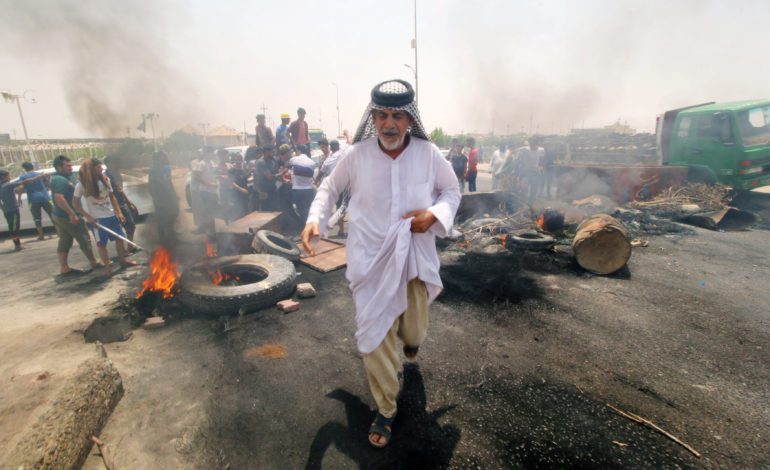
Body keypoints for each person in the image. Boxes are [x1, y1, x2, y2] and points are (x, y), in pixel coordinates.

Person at [301, 79, 460, 448]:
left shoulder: (428, 153)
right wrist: (314, 220)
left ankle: (409, 345)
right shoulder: (354, 156)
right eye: (383, 115)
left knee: (414, 333)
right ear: (373, 117)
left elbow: (452, 192)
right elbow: (328, 190)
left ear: (409, 120)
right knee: (374, 338)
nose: (390, 123)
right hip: (369, 262)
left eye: (398, 116)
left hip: (414, 259)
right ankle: (386, 408)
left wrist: (433, 216)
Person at [73, 158, 137, 275]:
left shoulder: (105, 180)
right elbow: (75, 203)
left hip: (111, 215)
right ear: (91, 169)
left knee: (120, 238)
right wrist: (88, 216)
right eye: (98, 167)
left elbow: (112, 197)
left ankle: (123, 261)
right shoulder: (82, 185)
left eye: (101, 167)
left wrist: (118, 212)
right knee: (102, 244)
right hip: (98, 219)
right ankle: (107, 268)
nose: (101, 169)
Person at [49, 155, 101, 274]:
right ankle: (93, 261)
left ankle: (64, 267)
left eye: (71, 165)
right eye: (67, 166)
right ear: (58, 167)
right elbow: (59, 197)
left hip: (59, 215)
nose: (70, 167)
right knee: (84, 237)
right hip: (66, 216)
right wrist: (72, 214)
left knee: (65, 240)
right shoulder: (59, 180)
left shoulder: (64, 177)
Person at [0, 169, 46, 251]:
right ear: (3, 177)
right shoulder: (7, 185)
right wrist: (39, 176)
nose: (9, 177)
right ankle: (17, 246)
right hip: (12, 210)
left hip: (7, 211)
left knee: (13, 228)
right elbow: (25, 182)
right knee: (14, 228)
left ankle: (18, 245)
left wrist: (3, 209)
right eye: (8, 176)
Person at [104, 156, 138, 246]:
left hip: (122, 204)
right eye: (112, 162)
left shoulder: (117, 175)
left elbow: (120, 190)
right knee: (118, 231)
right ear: (107, 164)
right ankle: (122, 253)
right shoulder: (105, 177)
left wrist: (128, 202)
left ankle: (129, 247)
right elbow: (108, 195)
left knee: (131, 226)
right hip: (113, 206)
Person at [148, 152, 180, 243]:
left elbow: (169, 182)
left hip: (169, 196)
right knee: (162, 218)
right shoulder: (153, 170)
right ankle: (162, 239)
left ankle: (172, 235)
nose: (166, 159)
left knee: (173, 214)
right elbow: (151, 186)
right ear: (157, 160)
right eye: (163, 158)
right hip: (160, 197)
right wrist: (156, 199)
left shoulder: (167, 168)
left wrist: (174, 194)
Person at [18, 161, 54, 240]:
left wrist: (19, 198)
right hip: (45, 197)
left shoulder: (23, 177)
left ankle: (41, 236)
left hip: (33, 199)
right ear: (33, 167)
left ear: (24, 169)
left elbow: (20, 188)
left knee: (37, 218)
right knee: (52, 215)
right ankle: (59, 233)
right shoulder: (40, 174)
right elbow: (48, 184)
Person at [288, 146, 316, 231]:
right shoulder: (312, 162)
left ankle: (305, 227)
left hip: (297, 189)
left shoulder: (293, 159)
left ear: (299, 151)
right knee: (309, 209)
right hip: (308, 189)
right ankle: (311, 226)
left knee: (301, 210)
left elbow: (289, 170)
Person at [515, 137, 545, 203]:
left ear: (537, 144)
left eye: (534, 143)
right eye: (531, 143)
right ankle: (523, 203)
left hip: (535, 173)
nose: (532, 145)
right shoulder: (524, 149)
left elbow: (542, 161)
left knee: (534, 191)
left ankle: (530, 205)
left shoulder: (541, 150)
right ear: (529, 143)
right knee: (523, 189)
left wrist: (541, 167)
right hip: (525, 172)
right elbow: (515, 152)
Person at [254, 145, 280, 211]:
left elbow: (276, 171)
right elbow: (269, 177)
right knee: (265, 210)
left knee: (275, 209)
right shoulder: (261, 162)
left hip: (272, 189)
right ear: (266, 152)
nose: (273, 153)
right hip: (263, 191)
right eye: (272, 152)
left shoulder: (272, 160)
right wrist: (281, 173)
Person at [226, 153, 249, 220]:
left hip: (245, 195)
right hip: (236, 195)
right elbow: (231, 182)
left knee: (245, 213)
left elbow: (245, 180)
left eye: (240, 160)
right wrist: (241, 189)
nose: (238, 161)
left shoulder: (243, 170)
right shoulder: (231, 171)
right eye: (237, 160)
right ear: (234, 161)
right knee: (238, 213)